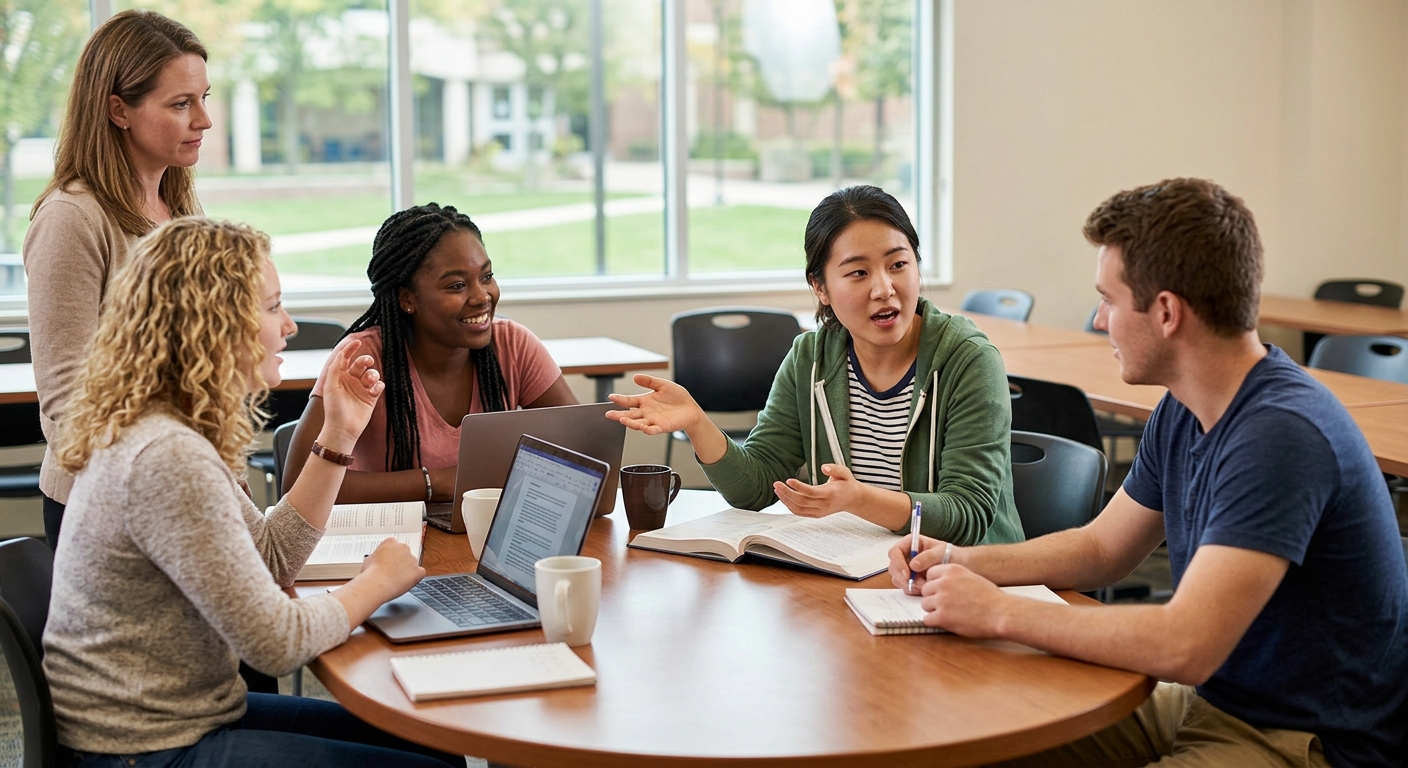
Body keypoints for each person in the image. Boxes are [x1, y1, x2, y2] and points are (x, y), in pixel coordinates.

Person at [889, 178, 1408, 767]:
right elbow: (1102, 550)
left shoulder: (1281, 434)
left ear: (1165, 312)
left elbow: (1187, 644)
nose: (1099, 317)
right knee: (976, 738)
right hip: (1212, 701)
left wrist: (999, 612)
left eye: (1108, 299)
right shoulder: (1185, 406)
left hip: (1305, 740)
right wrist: (955, 561)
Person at [42, 218, 459, 767]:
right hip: (144, 748)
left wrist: (338, 435)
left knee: (433, 744)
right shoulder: (168, 456)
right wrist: (375, 583)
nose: (287, 326)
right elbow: (276, 644)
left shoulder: (168, 428)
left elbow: (271, 558)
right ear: (215, 325)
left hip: (182, 718)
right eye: (270, 307)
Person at [608, 185, 1024, 543]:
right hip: (862, 570)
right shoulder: (810, 358)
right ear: (820, 288)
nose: (884, 288)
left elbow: (968, 515)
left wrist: (860, 499)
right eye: (858, 272)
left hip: (968, 582)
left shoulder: (969, 360)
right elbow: (756, 486)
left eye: (899, 264)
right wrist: (698, 424)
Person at [25, 9, 211, 549]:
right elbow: (68, 402)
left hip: (182, 483)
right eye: (181, 104)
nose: (204, 120)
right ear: (117, 110)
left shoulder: (177, 211)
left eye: (204, 98)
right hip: (107, 503)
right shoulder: (71, 218)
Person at [284, 202, 577, 502]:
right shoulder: (363, 359)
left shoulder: (512, 344)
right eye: (457, 285)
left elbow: (580, 451)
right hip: (385, 541)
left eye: (487, 277)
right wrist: (436, 483)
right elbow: (297, 487)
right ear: (407, 298)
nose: (482, 297)